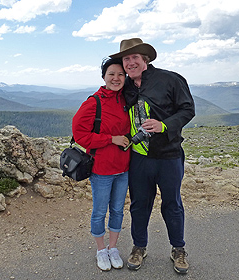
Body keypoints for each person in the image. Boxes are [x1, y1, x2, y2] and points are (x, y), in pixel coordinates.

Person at [110, 38, 195, 274]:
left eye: (134, 57)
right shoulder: (125, 85)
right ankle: (139, 247)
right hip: (139, 157)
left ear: (144, 59)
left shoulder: (170, 79)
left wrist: (164, 125)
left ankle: (178, 249)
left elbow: (188, 109)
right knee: (139, 205)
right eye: (126, 59)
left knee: (172, 204)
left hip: (168, 155)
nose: (130, 62)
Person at [72, 57, 131, 271]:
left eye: (120, 74)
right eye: (111, 74)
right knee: (99, 211)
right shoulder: (93, 102)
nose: (116, 78)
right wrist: (110, 139)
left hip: (124, 167)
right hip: (102, 169)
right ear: (104, 77)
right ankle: (100, 250)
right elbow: (79, 134)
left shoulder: (126, 100)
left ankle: (113, 248)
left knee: (117, 210)